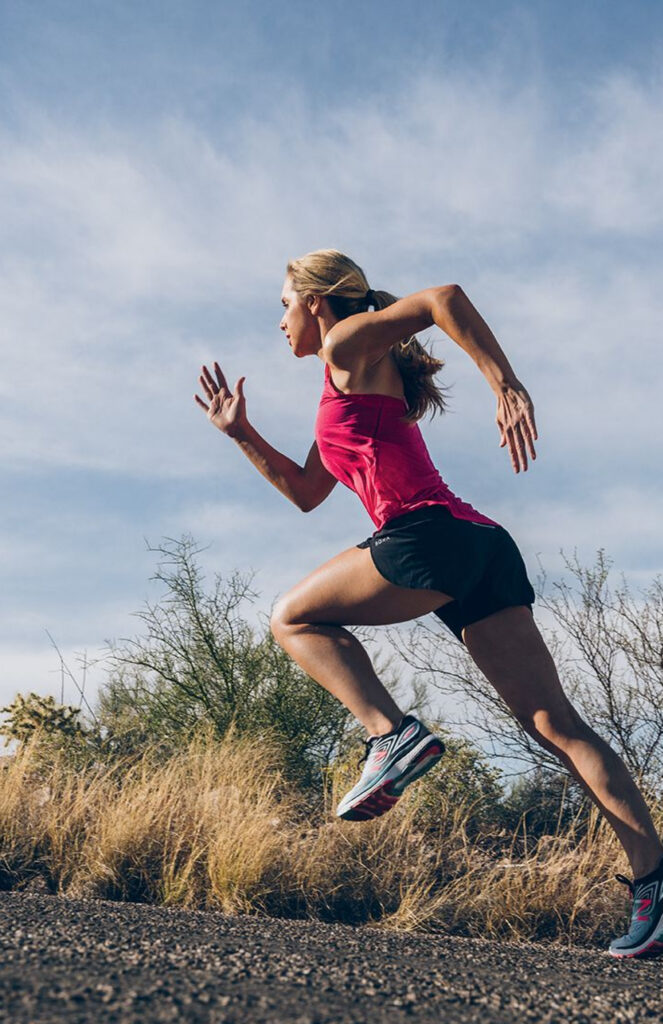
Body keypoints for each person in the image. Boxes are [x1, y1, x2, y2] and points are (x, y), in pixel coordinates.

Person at [194, 248, 663, 958]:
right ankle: (654, 890)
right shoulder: (343, 388)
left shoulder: (344, 345)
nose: (278, 321)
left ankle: (391, 735)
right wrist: (242, 435)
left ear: (317, 302)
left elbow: (442, 295)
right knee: (555, 725)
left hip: (427, 536)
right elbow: (305, 491)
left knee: (292, 617)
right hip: (479, 546)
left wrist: (504, 384)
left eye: (282, 304)